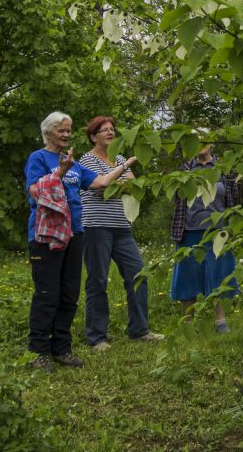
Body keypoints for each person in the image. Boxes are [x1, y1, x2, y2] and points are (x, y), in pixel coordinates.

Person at [25, 111, 137, 372]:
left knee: (69, 294)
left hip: (75, 233)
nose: (66, 134)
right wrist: (60, 172)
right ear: (48, 132)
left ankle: (62, 348)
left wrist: (124, 165)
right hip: (46, 236)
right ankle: (38, 351)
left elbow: (100, 182)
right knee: (46, 295)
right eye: (61, 130)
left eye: (68, 130)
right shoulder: (38, 158)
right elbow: (35, 191)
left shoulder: (72, 162)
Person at [80, 116, 164, 350]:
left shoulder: (117, 159)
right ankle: (97, 336)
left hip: (122, 226)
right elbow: (101, 188)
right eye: (103, 130)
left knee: (138, 274)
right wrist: (124, 169)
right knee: (97, 280)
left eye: (111, 129)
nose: (110, 132)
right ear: (92, 136)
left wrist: (117, 176)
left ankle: (139, 330)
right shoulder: (87, 160)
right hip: (96, 226)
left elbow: (133, 188)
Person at [170, 142, 238, 332]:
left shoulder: (223, 168)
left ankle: (221, 322)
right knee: (187, 276)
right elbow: (177, 199)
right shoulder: (185, 169)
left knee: (220, 273)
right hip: (189, 231)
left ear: (211, 144)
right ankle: (188, 323)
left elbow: (232, 198)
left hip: (218, 232)